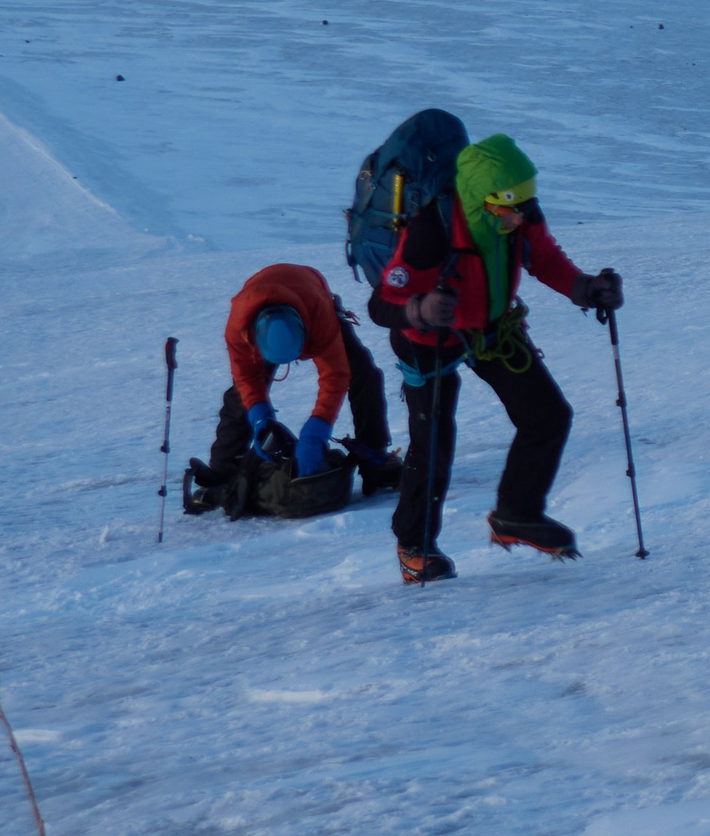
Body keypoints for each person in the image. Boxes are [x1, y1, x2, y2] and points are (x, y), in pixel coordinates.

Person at [372, 132, 625, 583]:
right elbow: (381, 304)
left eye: (525, 205)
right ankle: (415, 545)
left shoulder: (517, 211)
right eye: (510, 209)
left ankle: (516, 513)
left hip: (490, 327)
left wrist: (585, 288)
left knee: (547, 415)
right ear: (483, 200)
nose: (521, 217)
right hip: (427, 338)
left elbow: (543, 257)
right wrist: (419, 310)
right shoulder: (431, 230)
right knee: (434, 447)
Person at [194, 262, 398, 504]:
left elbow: (335, 374)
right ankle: (222, 473)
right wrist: (260, 417)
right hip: (265, 305)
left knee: (364, 374)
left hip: (311, 296)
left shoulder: (319, 316)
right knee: (241, 394)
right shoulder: (238, 327)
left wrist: (317, 429)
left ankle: (374, 457)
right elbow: (246, 377)